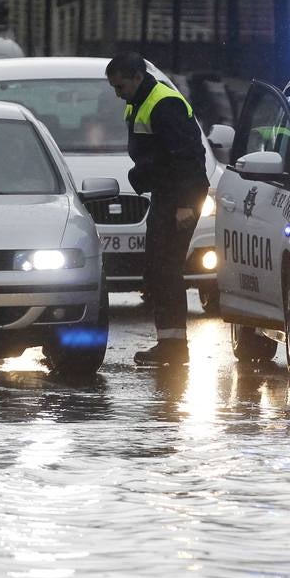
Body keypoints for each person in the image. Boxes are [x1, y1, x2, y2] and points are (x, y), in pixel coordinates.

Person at [106, 52, 209, 367]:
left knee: (166, 270)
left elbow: (187, 156)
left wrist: (183, 206)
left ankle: (174, 347)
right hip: (167, 193)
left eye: (120, 85)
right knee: (158, 269)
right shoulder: (142, 100)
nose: (117, 93)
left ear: (137, 77)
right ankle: (169, 342)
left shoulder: (164, 103)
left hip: (179, 196)